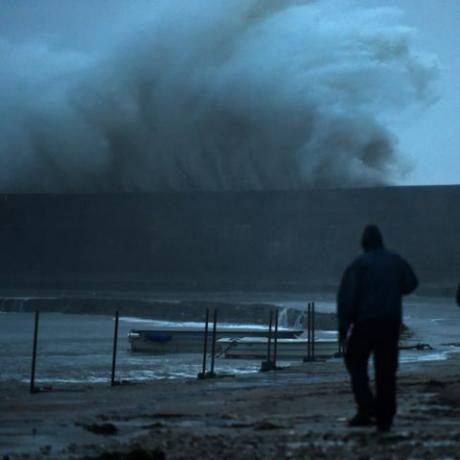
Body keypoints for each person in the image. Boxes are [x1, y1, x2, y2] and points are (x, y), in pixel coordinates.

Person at [337, 224, 418, 432]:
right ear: (381, 241)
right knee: (386, 371)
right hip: (390, 324)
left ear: (363, 243)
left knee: (355, 363)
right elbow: (411, 284)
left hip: (364, 324)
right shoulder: (395, 260)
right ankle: (385, 418)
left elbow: (346, 299)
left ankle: (366, 408)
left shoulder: (358, 265)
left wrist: (343, 329)